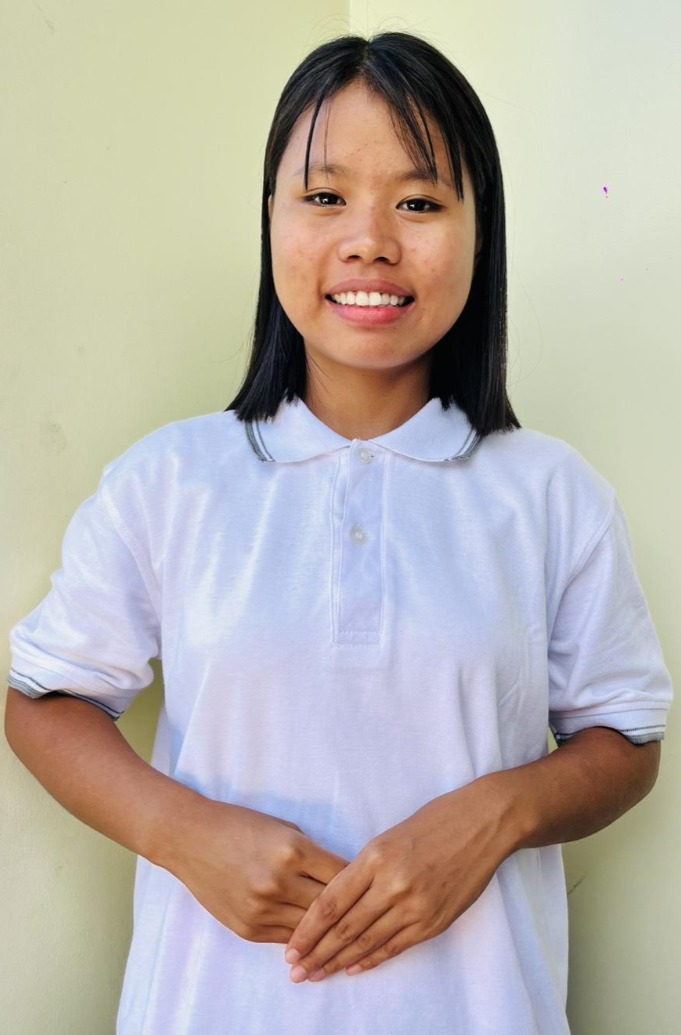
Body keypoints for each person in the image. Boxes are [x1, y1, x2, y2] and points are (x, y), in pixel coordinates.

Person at [4, 31, 672, 1035]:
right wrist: (180, 832)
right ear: (270, 217)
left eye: (419, 202)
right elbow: (45, 700)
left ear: (480, 233)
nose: (369, 240)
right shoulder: (169, 481)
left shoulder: (551, 494)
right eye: (324, 196)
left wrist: (494, 815)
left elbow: (625, 735)